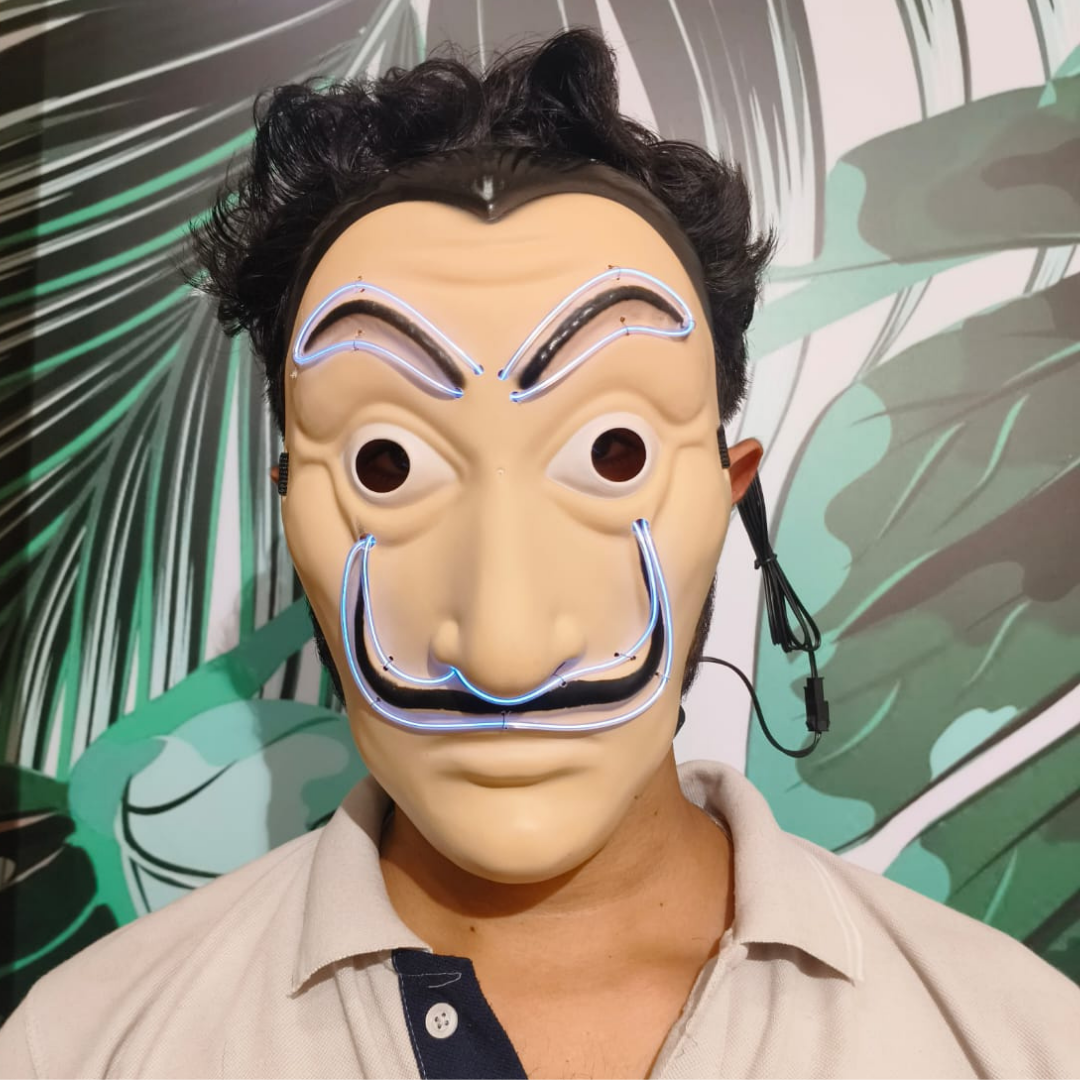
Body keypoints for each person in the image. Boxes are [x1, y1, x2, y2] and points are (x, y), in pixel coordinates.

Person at [1, 28, 1076, 1080]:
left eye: (613, 453)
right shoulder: (85, 1051)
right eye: (385, 464)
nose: (505, 652)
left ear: (729, 492)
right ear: (289, 509)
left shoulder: (1019, 1044)